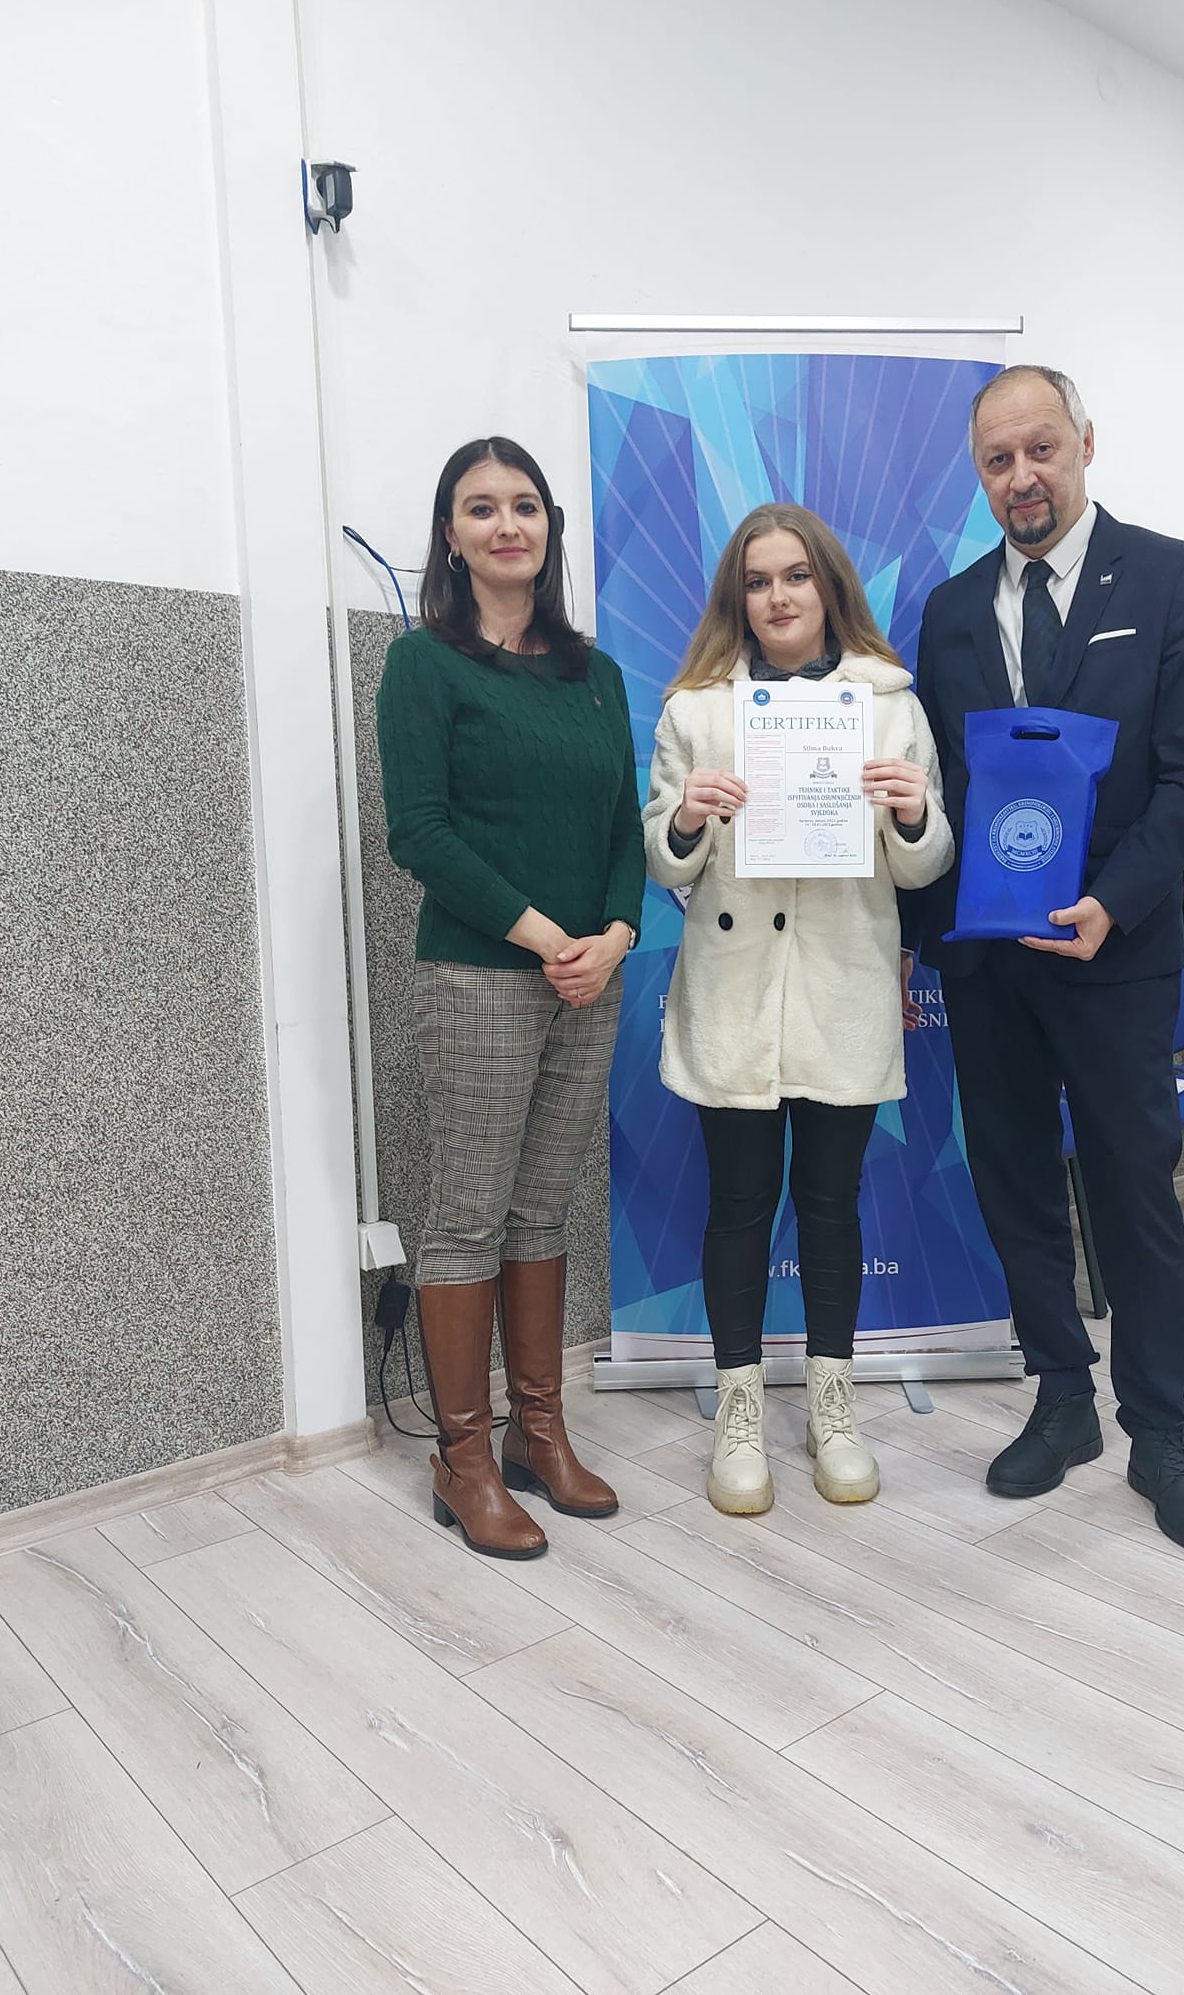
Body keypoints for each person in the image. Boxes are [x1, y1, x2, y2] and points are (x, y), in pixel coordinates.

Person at [906, 366, 1184, 1553]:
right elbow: (939, 782)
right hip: (989, 959)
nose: (1022, 477)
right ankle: (1061, 1398)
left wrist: (1111, 900)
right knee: (1014, 1181)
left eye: (1040, 448)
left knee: (1132, 1188)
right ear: (979, 472)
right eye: (998, 460)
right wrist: (921, 941)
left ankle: (1161, 1429)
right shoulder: (950, 609)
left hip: (1115, 948)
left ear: (1086, 443)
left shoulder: (1172, 576)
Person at [644, 505, 953, 1516]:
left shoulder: (890, 705)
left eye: (796, 576)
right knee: (739, 1206)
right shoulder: (697, 710)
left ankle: (833, 1406)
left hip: (841, 986)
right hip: (735, 992)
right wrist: (687, 818)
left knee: (829, 1205)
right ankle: (739, 1412)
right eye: (757, 580)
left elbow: (926, 863)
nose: (777, 597)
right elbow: (663, 859)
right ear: (737, 597)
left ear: (829, 586)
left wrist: (913, 809)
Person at [377, 435, 645, 1560]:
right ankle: (465, 1455)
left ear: (550, 528)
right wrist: (547, 937)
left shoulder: (598, 676)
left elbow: (624, 829)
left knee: (544, 1209)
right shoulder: (423, 665)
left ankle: (541, 1431)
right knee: (470, 1215)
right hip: (482, 974)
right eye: (480, 508)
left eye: (525, 505)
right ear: (451, 535)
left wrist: (614, 939)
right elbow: (420, 832)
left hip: (591, 975)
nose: (506, 525)